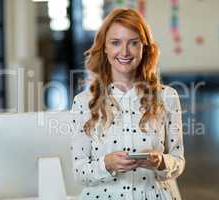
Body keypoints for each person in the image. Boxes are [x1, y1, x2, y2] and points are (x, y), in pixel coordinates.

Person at [70, 8, 185, 200]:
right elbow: (79, 172)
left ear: (144, 48)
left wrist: (161, 162)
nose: (124, 52)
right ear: (104, 47)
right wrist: (106, 164)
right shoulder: (83, 102)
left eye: (133, 43)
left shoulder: (168, 97)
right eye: (115, 43)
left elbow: (178, 162)